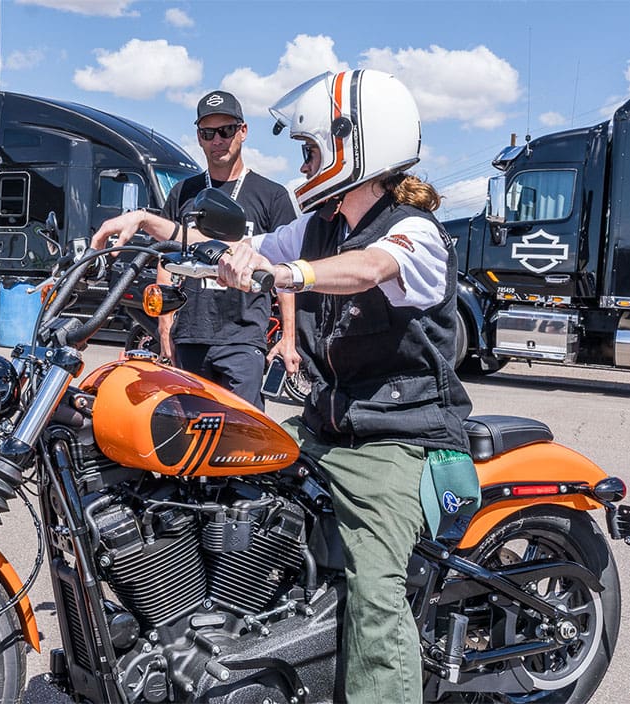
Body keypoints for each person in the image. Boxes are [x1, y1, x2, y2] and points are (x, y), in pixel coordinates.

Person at [92, 69, 473, 703]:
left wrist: (290, 274)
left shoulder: (414, 231)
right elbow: (237, 245)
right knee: (213, 469)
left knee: (377, 586)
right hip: (328, 423)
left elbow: (367, 269)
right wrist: (150, 226)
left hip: (397, 436)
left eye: (312, 148)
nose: (306, 162)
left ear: (359, 144)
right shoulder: (320, 224)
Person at [157, 90, 298, 410]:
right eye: (208, 133)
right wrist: (165, 323)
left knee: (242, 437)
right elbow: (167, 257)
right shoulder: (183, 192)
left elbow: (286, 271)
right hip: (190, 334)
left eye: (226, 130)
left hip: (244, 338)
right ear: (199, 137)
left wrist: (289, 337)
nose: (217, 140)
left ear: (243, 131)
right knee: (191, 434)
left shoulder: (271, 195)